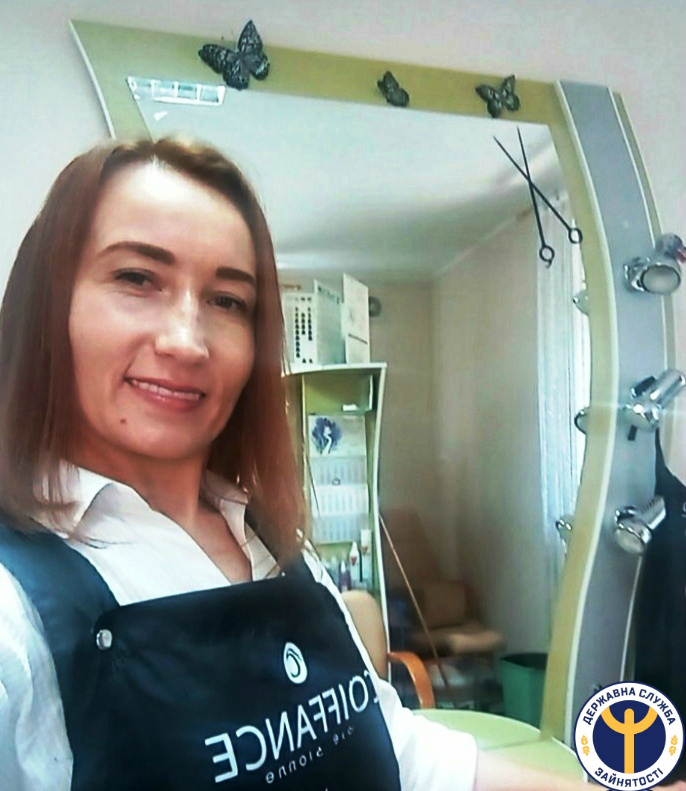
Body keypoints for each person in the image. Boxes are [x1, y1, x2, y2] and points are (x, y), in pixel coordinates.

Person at [0, 137, 681, 791]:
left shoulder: (274, 544)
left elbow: (397, 750)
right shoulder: (14, 603)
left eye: (227, 300)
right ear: (47, 305)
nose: (187, 341)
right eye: (137, 278)